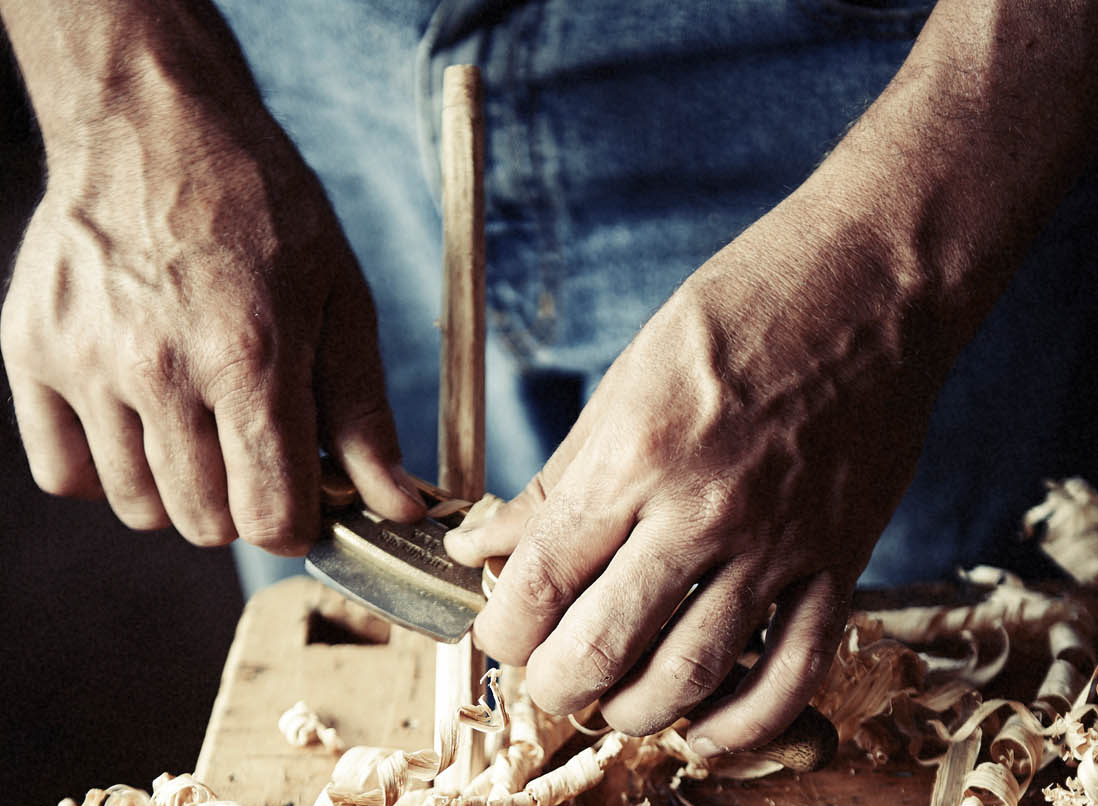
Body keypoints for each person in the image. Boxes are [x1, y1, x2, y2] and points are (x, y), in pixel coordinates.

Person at [2, 0, 1098, 757]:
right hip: (291, 70)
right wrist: (115, 88)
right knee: (352, 645)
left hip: (892, 87)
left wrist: (890, 273)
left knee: (880, 702)